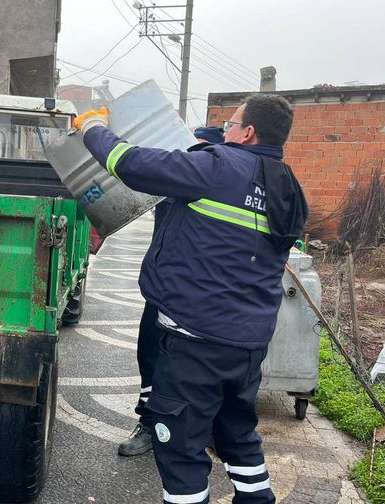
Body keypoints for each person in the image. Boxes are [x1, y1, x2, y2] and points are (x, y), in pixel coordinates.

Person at [74, 95, 308, 504]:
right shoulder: (289, 187)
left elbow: (128, 163)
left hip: (196, 339)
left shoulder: (216, 167)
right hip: (248, 344)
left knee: (179, 445)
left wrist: (92, 125)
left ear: (248, 132)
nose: (224, 132)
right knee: (236, 432)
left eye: (230, 125)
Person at [119, 124, 225, 458]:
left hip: (207, 291)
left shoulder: (220, 183)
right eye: (188, 148)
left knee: (205, 363)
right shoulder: (173, 176)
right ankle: (149, 422)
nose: (191, 155)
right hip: (164, 287)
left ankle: (208, 427)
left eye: (200, 148)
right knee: (151, 352)